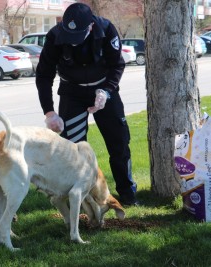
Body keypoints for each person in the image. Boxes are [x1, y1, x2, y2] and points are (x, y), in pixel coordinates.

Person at [35, 3, 138, 205]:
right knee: (72, 149)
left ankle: (127, 193)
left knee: (119, 143)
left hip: (104, 90)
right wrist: (49, 112)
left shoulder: (107, 30)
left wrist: (106, 91)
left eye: (78, 37)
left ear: (90, 26)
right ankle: (79, 197)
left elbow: (117, 64)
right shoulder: (55, 36)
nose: (72, 43)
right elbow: (44, 75)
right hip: (72, 92)